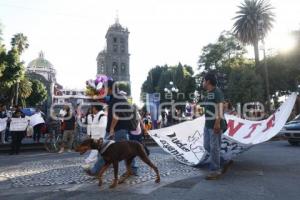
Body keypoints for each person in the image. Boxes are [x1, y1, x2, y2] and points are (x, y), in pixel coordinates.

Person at [88, 80, 133, 175]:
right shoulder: (116, 97)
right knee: (128, 151)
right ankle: (133, 170)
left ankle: (95, 170)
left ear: (110, 88)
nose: (103, 90)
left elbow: (116, 115)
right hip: (120, 129)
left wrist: (112, 128)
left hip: (118, 129)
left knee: (104, 149)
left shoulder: (117, 98)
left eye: (104, 88)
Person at [202, 73, 230, 180]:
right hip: (207, 124)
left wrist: (217, 122)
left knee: (214, 147)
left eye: (204, 81)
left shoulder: (217, 92)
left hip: (215, 125)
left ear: (208, 81)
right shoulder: (208, 93)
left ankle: (215, 170)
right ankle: (223, 161)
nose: (203, 83)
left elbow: (221, 107)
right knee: (207, 146)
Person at [84, 105, 107, 172]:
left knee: (95, 151)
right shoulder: (98, 115)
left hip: (98, 137)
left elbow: (103, 127)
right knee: (97, 152)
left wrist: (101, 138)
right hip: (95, 136)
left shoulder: (102, 115)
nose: (92, 109)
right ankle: (97, 165)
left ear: (95, 108)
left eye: (92, 108)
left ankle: (88, 162)